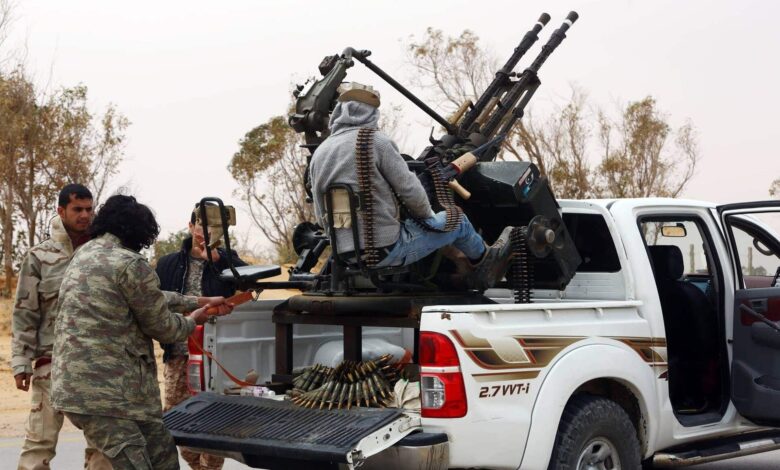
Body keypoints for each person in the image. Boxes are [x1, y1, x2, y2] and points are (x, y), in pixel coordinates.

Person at [50, 194, 233, 469]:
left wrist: (196, 301)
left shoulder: (85, 254)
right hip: (106, 396)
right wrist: (194, 319)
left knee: (163, 455)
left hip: (96, 391)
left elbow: (146, 296)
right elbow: (165, 328)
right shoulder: (130, 264)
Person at [308, 82, 514, 290]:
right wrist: (429, 219)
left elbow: (320, 214)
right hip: (386, 251)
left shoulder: (321, 152)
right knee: (457, 220)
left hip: (345, 256)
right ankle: (486, 264)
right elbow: (410, 191)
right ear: (371, 114)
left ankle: (466, 266)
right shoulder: (376, 142)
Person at [10, 184, 112, 470]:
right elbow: (25, 313)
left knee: (103, 446)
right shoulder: (39, 257)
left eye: (89, 209)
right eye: (77, 209)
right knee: (38, 445)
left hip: (96, 364)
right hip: (51, 364)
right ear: (61, 211)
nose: (85, 215)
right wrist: (21, 361)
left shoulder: (103, 252)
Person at [155, 203, 247, 470]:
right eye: (201, 225)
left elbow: (252, 283)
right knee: (176, 421)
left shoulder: (228, 261)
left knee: (216, 423)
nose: (206, 232)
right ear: (190, 226)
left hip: (215, 356)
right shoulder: (168, 263)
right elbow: (155, 302)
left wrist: (219, 261)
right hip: (178, 354)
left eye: (214, 227)